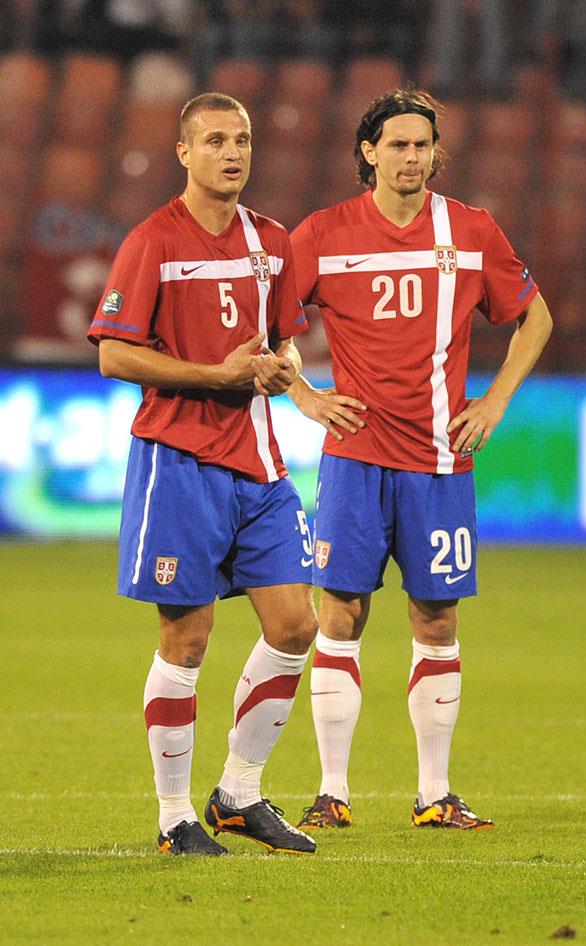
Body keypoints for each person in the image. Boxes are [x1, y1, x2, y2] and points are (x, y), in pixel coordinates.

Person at [288, 87, 553, 831]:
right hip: (354, 458)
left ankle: (434, 794)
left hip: (440, 460)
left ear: (437, 153)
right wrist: (305, 396)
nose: (412, 157)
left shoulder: (471, 230)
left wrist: (494, 401)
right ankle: (331, 792)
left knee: (437, 620)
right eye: (398, 144)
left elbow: (535, 317)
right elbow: (268, 325)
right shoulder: (323, 234)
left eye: (422, 145)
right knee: (340, 614)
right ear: (368, 152)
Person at [87, 92, 320, 856]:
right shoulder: (152, 240)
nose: (232, 153)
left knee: (297, 625)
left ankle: (238, 794)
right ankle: (173, 817)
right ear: (184, 152)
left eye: (242, 139)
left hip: (260, 464)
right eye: (215, 140)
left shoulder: (273, 242)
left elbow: (285, 342)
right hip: (179, 462)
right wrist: (213, 376)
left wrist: (284, 371)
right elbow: (113, 353)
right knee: (187, 638)